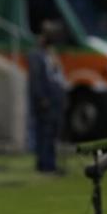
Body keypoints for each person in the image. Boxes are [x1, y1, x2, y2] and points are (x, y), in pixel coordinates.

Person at [27, 19, 66, 174]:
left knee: (53, 131)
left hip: (56, 98)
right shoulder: (36, 55)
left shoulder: (52, 54)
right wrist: (41, 98)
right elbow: (36, 79)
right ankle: (45, 163)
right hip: (45, 100)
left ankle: (50, 162)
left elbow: (57, 76)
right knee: (45, 131)